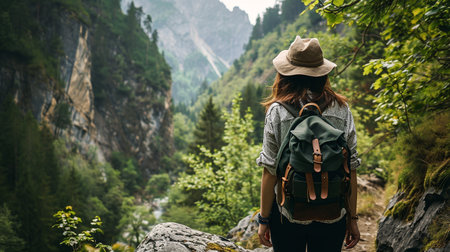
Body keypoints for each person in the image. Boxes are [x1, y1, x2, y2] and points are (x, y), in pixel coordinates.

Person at [256, 36, 361, 251]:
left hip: (288, 214)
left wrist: (264, 219)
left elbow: (270, 171)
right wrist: (352, 218)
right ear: (322, 73)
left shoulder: (277, 111)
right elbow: (350, 167)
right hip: (333, 212)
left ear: (286, 74)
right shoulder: (341, 109)